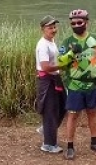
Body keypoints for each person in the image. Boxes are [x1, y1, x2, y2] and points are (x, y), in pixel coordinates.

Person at [56, 9, 96, 160]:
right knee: (72, 115)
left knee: (92, 113)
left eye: (79, 22)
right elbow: (59, 63)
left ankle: (94, 142)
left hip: (92, 84)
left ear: (86, 22)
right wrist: (71, 54)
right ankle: (70, 146)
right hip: (75, 85)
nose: (76, 25)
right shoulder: (67, 42)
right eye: (73, 23)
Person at [35, 15, 66, 154]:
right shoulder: (42, 45)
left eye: (54, 27)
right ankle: (48, 144)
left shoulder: (51, 41)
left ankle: (46, 129)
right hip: (47, 80)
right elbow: (46, 67)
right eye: (50, 27)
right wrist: (63, 66)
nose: (53, 30)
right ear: (43, 29)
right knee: (50, 111)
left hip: (55, 78)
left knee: (64, 106)